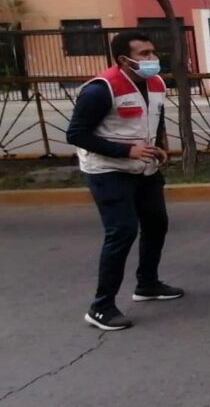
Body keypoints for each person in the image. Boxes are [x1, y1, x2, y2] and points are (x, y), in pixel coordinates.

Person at [67, 31, 183, 331]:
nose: (152, 59)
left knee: (157, 223)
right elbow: (76, 134)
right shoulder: (100, 89)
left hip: (143, 167)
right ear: (123, 59)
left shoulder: (156, 83)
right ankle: (101, 307)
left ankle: (147, 284)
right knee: (122, 231)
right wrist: (126, 150)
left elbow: (153, 119)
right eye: (144, 54)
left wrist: (159, 146)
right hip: (107, 169)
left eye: (153, 52)